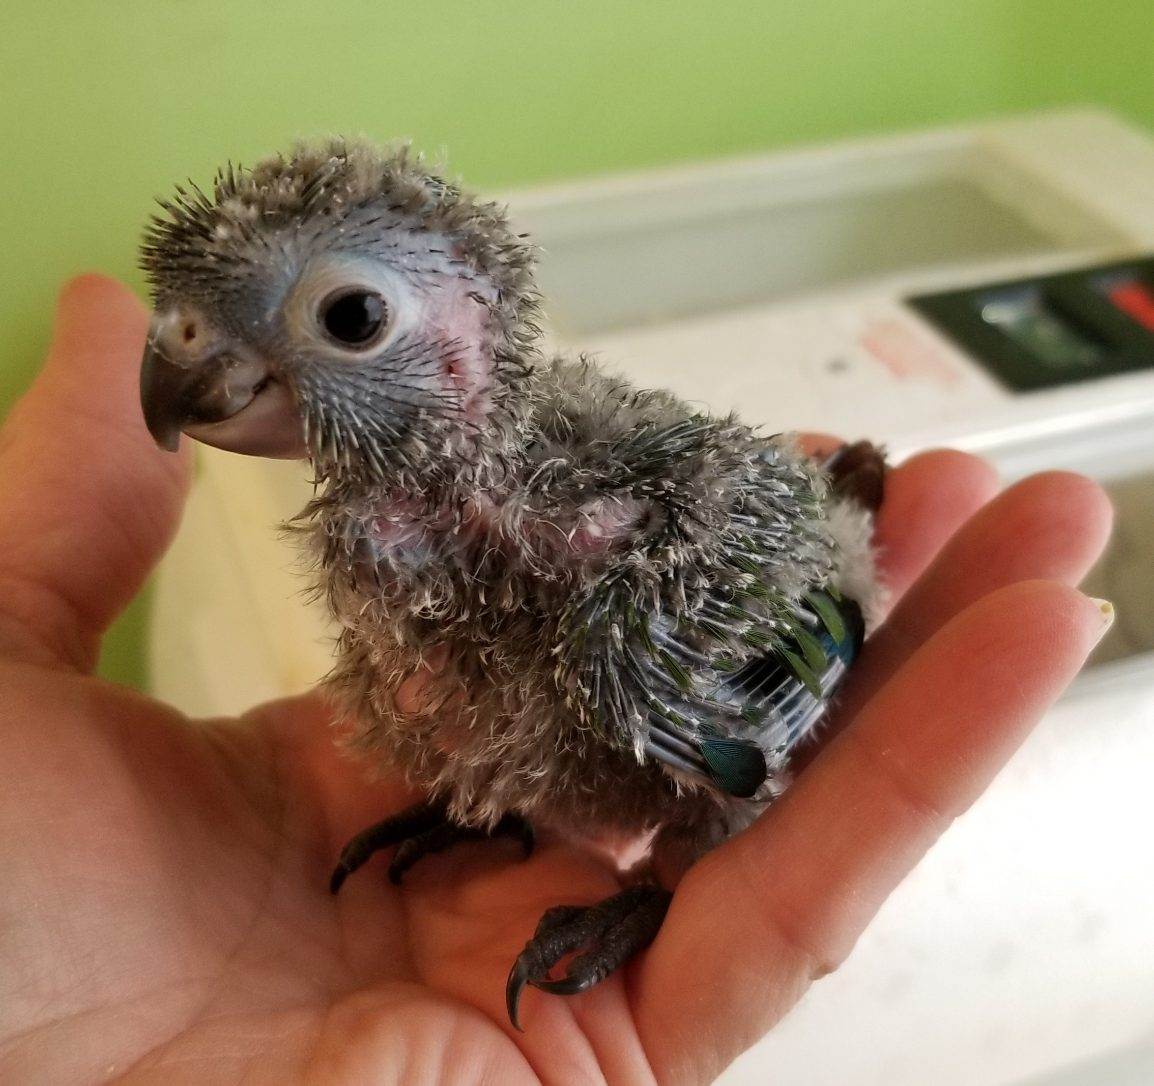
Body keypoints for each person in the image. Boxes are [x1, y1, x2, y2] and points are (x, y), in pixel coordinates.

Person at [0, 275, 1114, 1084]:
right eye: (197, 318)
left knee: (667, 710)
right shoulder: (374, 537)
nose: (200, 350)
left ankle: (651, 881)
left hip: (736, 622)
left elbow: (776, 699)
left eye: (347, 316)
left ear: (467, 340)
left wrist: (658, 890)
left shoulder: (624, 583)